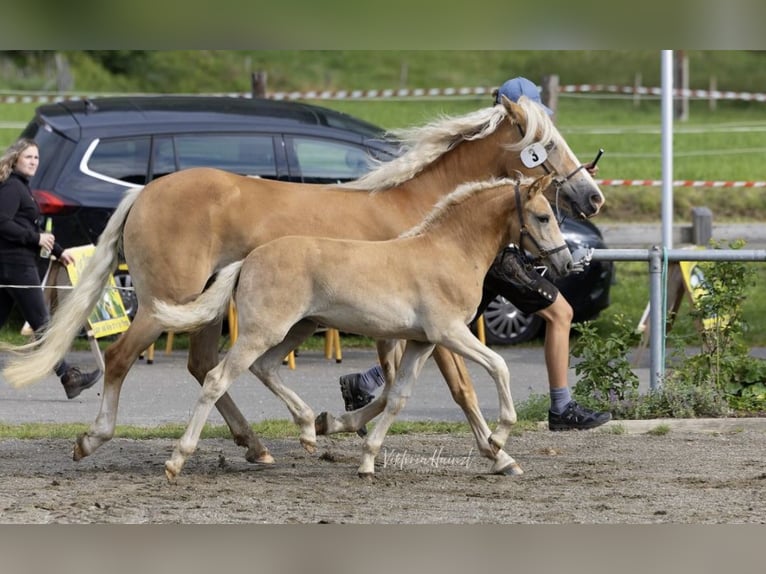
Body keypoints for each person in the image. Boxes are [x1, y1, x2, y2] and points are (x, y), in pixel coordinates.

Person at [339, 77, 611, 434]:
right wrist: (568, 184)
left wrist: (570, 183)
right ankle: (561, 407)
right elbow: (528, 198)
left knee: (441, 330)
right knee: (560, 313)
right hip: (488, 252)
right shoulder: (508, 144)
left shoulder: (484, 148)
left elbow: (530, 189)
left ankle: (367, 381)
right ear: (516, 116)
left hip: (475, 250)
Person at [0, 138, 101, 399]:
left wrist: (59, 251)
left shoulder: (21, 187)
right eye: (28, 157)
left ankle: (69, 377)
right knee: (43, 325)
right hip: (17, 267)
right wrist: (35, 239)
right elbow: (2, 222)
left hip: (11, 266)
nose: (34, 162)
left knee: (38, 325)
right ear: (15, 159)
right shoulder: (12, 187)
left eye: (36, 158)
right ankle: (69, 377)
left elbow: (28, 227)